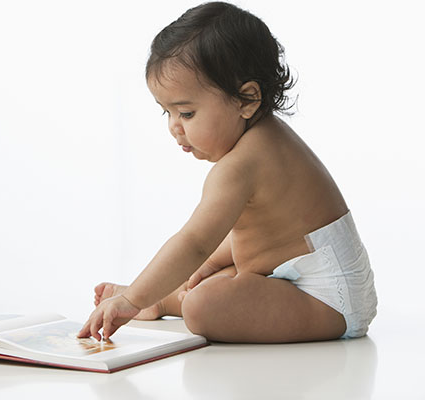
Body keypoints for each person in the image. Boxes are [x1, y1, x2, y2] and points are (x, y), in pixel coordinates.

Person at [78, 1, 377, 343]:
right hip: (297, 273)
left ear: (247, 99)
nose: (175, 127)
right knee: (209, 269)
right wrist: (205, 264)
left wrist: (132, 300)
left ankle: (163, 298)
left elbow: (194, 242)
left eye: (186, 113)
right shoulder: (266, 139)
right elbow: (253, 232)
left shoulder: (242, 164)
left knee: (203, 305)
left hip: (329, 300)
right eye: (167, 114)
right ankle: (165, 294)